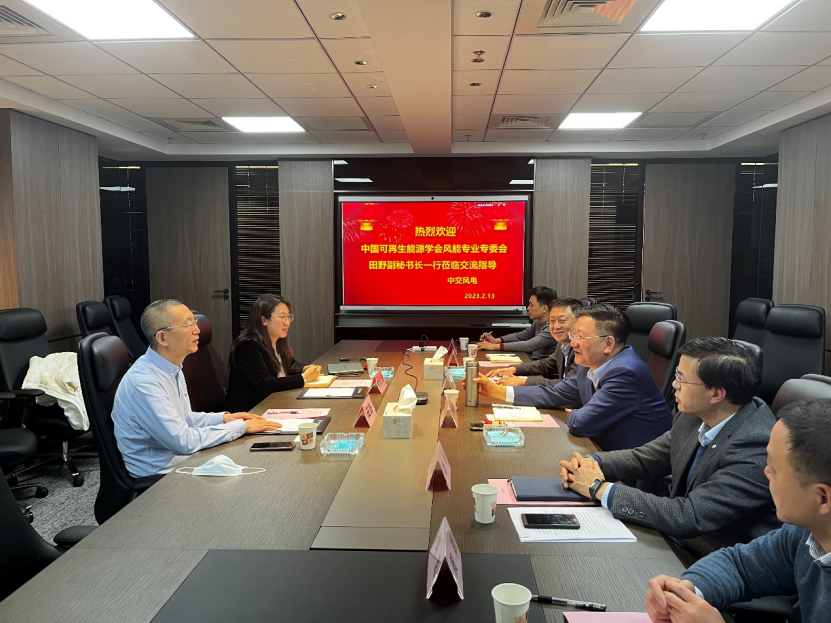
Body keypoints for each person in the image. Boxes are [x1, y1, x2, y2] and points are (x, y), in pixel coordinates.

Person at [559, 337, 779, 558]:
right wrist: (591, 462)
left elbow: (688, 516)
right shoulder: (695, 414)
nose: (674, 384)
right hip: (674, 536)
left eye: (682, 379)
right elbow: (645, 457)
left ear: (716, 394)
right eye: (676, 376)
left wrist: (598, 487)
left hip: (714, 557)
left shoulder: (755, 444)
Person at [645, 400, 831, 623]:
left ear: (823, 498)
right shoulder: (803, 533)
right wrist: (688, 590)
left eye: (775, 468)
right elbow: (740, 565)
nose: (765, 472)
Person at [112, 299, 280, 478]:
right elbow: (183, 442)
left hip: (185, 458)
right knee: (259, 471)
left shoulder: (172, 367)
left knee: (263, 455)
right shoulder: (145, 383)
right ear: (162, 338)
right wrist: (241, 427)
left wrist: (224, 418)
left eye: (195, 322)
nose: (197, 330)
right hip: (163, 474)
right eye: (188, 325)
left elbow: (185, 419)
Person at [473, 303, 672, 451]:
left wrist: (578, 411)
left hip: (632, 466)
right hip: (599, 447)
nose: (573, 343)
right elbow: (555, 394)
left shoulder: (625, 373)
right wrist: (497, 391)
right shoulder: (588, 364)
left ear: (608, 344)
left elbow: (580, 423)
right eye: (573, 335)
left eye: (580, 337)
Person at [225, 294, 322, 413]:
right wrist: (303, 378)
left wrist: (303, 368)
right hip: (251, 411)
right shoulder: (248, 346)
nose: (287, 322)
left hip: (273, 403)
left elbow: (289, 363)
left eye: (288, 316)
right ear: (264, 320)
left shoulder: (277, 340)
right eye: (282, 317)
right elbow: (265, 384)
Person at [486, 297, 581, 387]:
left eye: (562, 320)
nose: (556, 326)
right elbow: (545, 365)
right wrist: (514, 369)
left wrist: (524, 381)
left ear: (579, 321)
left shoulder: (582, 348)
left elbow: (570, 385)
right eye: (552, 321)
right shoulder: (562, 344)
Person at [477, 286, 558, 358]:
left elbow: (529, 345)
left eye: (531, 305)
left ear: (544, 309)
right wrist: (496, 340)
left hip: (548, 368)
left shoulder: (552, 328)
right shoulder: (538, 323)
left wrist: (495, 346)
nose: (528, 308)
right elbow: (521, 336)